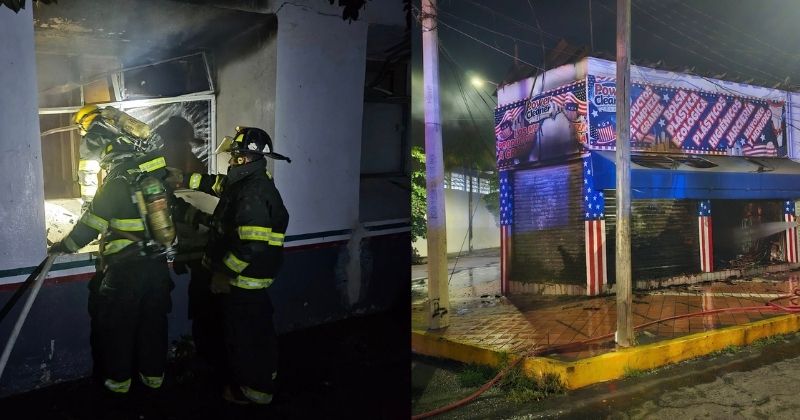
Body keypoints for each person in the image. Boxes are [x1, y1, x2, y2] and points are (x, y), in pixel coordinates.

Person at [49, 104, 182, 395]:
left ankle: (118, 389)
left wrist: (63, 246)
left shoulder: (116, 181)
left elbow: (90, 225)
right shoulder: (152, 177)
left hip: (125, 272)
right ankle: (154, 383)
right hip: (158, 268)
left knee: (118, 330)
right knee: (153, 327)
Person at [178, 126, 290, 405]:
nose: (230, 160)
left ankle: (254, 391)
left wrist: (224, 273)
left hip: (244, 279)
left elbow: (251, 244)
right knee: (256, 331)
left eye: (234, 156)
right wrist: (181, 178)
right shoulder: (246, 181)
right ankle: (264, 377)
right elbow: (216, 185)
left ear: (244, 159)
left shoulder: (253, 191)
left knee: (245, 336)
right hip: (250, 280)